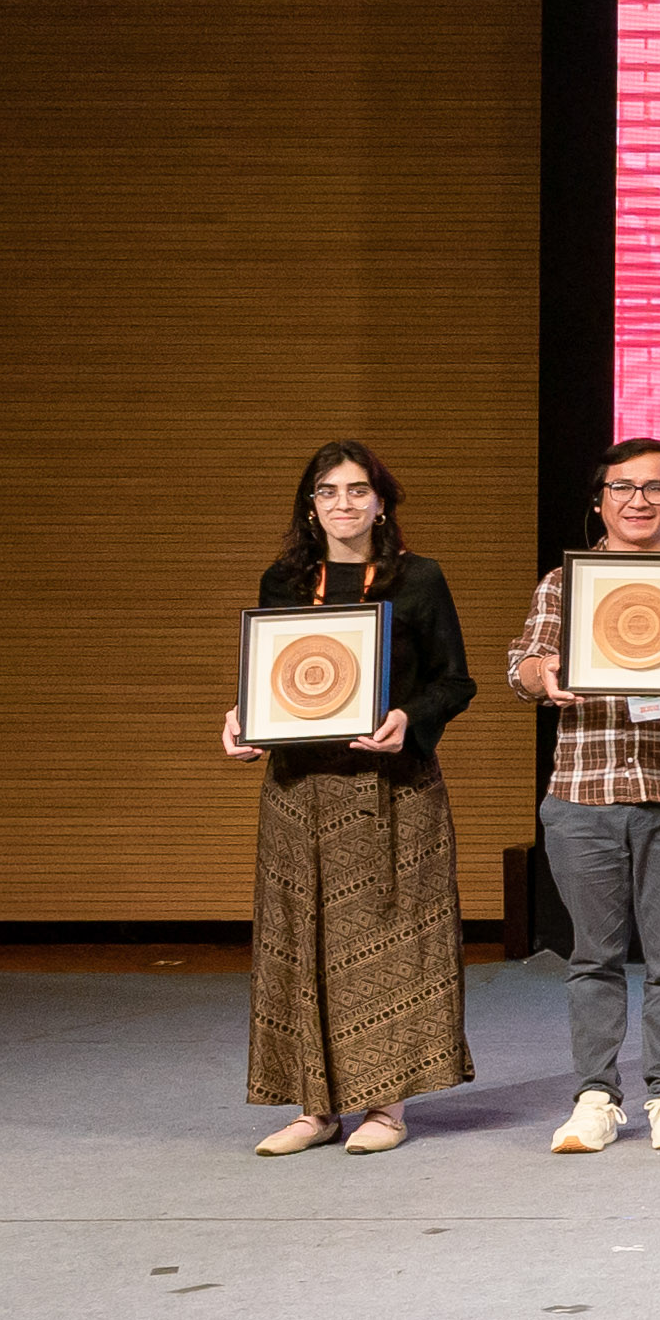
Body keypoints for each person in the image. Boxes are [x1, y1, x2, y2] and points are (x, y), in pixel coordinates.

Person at [225, 437, 474, 1155]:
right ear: (311, 506)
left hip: (392, 788)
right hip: (299, 790)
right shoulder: (284, 580)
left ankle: (386, 1109)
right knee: (299, 939)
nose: (343, 503)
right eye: (328, 491)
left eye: (358, 489)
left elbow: (455, 681)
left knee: (387, 942)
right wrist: (244, 717)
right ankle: (315, 1108)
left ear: (381, 502)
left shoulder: (418, 578)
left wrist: (409, 719)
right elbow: (277, 677)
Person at [508, 435, 660, 1155]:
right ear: (599, 500)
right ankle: (596, 1097)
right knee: (594, 956)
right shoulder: (566, 582)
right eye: (623, 487)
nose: (638, 500)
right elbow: (522, 667)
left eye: (655, 488)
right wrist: (546, 674)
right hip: (582, 794)